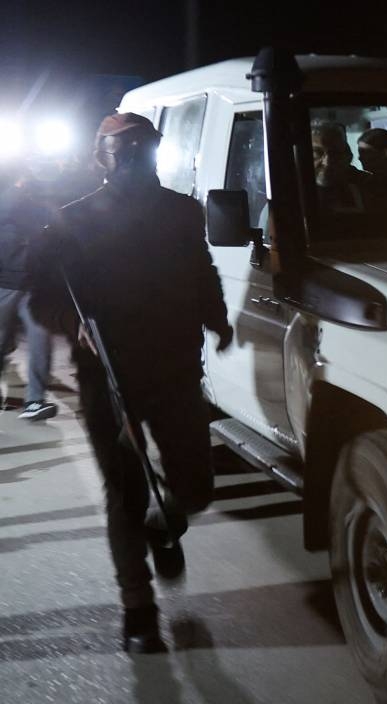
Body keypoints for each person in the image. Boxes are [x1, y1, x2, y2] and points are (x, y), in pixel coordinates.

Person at [29, 113, 233, 654]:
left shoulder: (180, 211)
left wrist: (217, 317)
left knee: (196, 488)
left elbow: (201, 268)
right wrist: (74, 326)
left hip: (174, 371)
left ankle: (163, 524)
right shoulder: (70, 222)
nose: (136, 155)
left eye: (146, 147)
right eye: (126, 147)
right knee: (125, 492)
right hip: (108, 377)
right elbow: (41, 295)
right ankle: (137, 611)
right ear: (104, 155)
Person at [0, 160, 60, 420]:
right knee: (2, 342)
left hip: (33, 284)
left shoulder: (40, 202)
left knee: (40, 338)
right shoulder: (11, 200)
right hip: (5, 283)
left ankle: (35, 401)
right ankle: (33, 399)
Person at [311, 120, 370, 213]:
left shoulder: (367, 185)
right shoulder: (291, 190)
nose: (327, 162)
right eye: (316, 153)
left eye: (335, 153)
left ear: (346, 156)